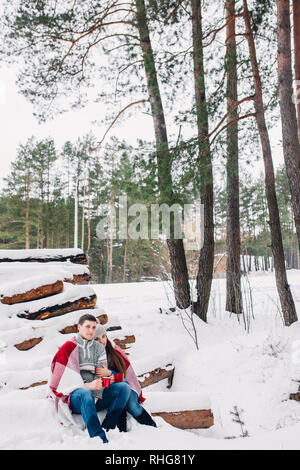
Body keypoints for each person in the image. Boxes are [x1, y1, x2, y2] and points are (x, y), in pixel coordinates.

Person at [48, 314, 132, 444]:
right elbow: (62, 381)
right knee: (85, 393)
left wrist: (97, 395)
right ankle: (98, 436)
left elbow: (101, 375)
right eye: (87, 327)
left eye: (93, 327)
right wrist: (88, 386)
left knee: (124, 387)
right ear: (79, 327)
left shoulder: (98, 348)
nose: (91, 331)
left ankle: (108, 426)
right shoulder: (68, 348)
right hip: (76, 398)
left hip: (94, 398)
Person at [94, 323, 157, 431]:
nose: (101, 341)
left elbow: (123, 376)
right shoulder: (90, 355)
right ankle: (120, 430)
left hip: (126, 384)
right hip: (110, 388)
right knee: (120, 391)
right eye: (97, 338)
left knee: (131, 403)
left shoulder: (113, 351)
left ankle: (153, 427)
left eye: (103, 337)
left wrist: (110, 374)